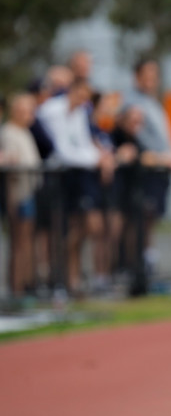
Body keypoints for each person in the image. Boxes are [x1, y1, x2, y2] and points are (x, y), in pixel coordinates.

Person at [37, 77, 114, 294]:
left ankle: (72, 279)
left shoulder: (80, 112)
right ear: (73, 90)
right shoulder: (51, 111)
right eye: (82, 94)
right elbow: (62, 151)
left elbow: (81, 143)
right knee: (67, 229)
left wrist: (100, 157)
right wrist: (97, 159)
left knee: (83, 228)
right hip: (58, 178)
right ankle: (63, 278)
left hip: (79, 176)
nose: (84, 100)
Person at [122, 58, 171, 277]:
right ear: (137, 77)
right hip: (144, 173)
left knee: (150, 221)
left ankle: (146, 267)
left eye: (154, 75)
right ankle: (134, 271)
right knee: (139, 221)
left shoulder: (154, 103)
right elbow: (139, 139)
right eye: (146, 75)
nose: (151, 80)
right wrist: (166, 157)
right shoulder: (132, 103)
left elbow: (164, 138)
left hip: (160, 172)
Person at [0, 93, 42, 298]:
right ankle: (16, 289)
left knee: (27, 242)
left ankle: (24, 286)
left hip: (28, 192)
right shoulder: (9, 132)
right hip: (18, 194)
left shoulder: (25, 132)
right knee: (20, 242)